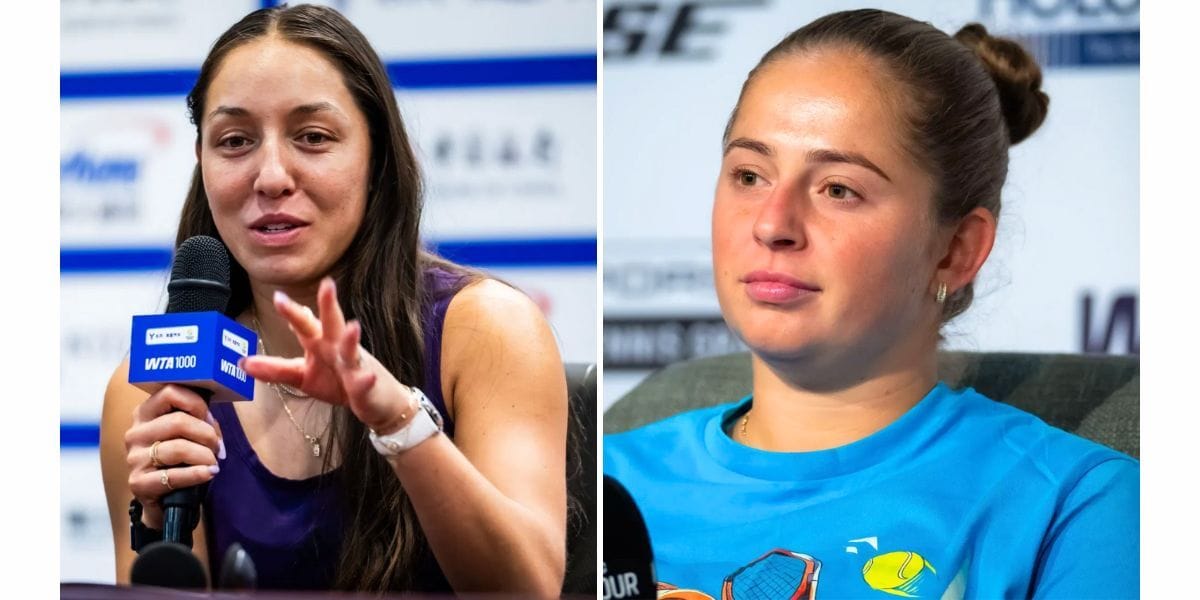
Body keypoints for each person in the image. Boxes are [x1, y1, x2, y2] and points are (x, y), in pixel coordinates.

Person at [603, 9, 1138, 599]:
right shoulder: (592, 486)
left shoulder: (1077, 506)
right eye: (750, 175)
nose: (772, 223)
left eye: (838, 189)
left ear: (955, 251)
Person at [99, 5, 568, 595]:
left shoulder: (488, 328)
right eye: (235, 141)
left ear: (376, 158)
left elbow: (527, 589)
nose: (270, 176)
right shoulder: (149, 388)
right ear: (202, 162)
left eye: (313, 138)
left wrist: (395, 419)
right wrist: (154, 530)